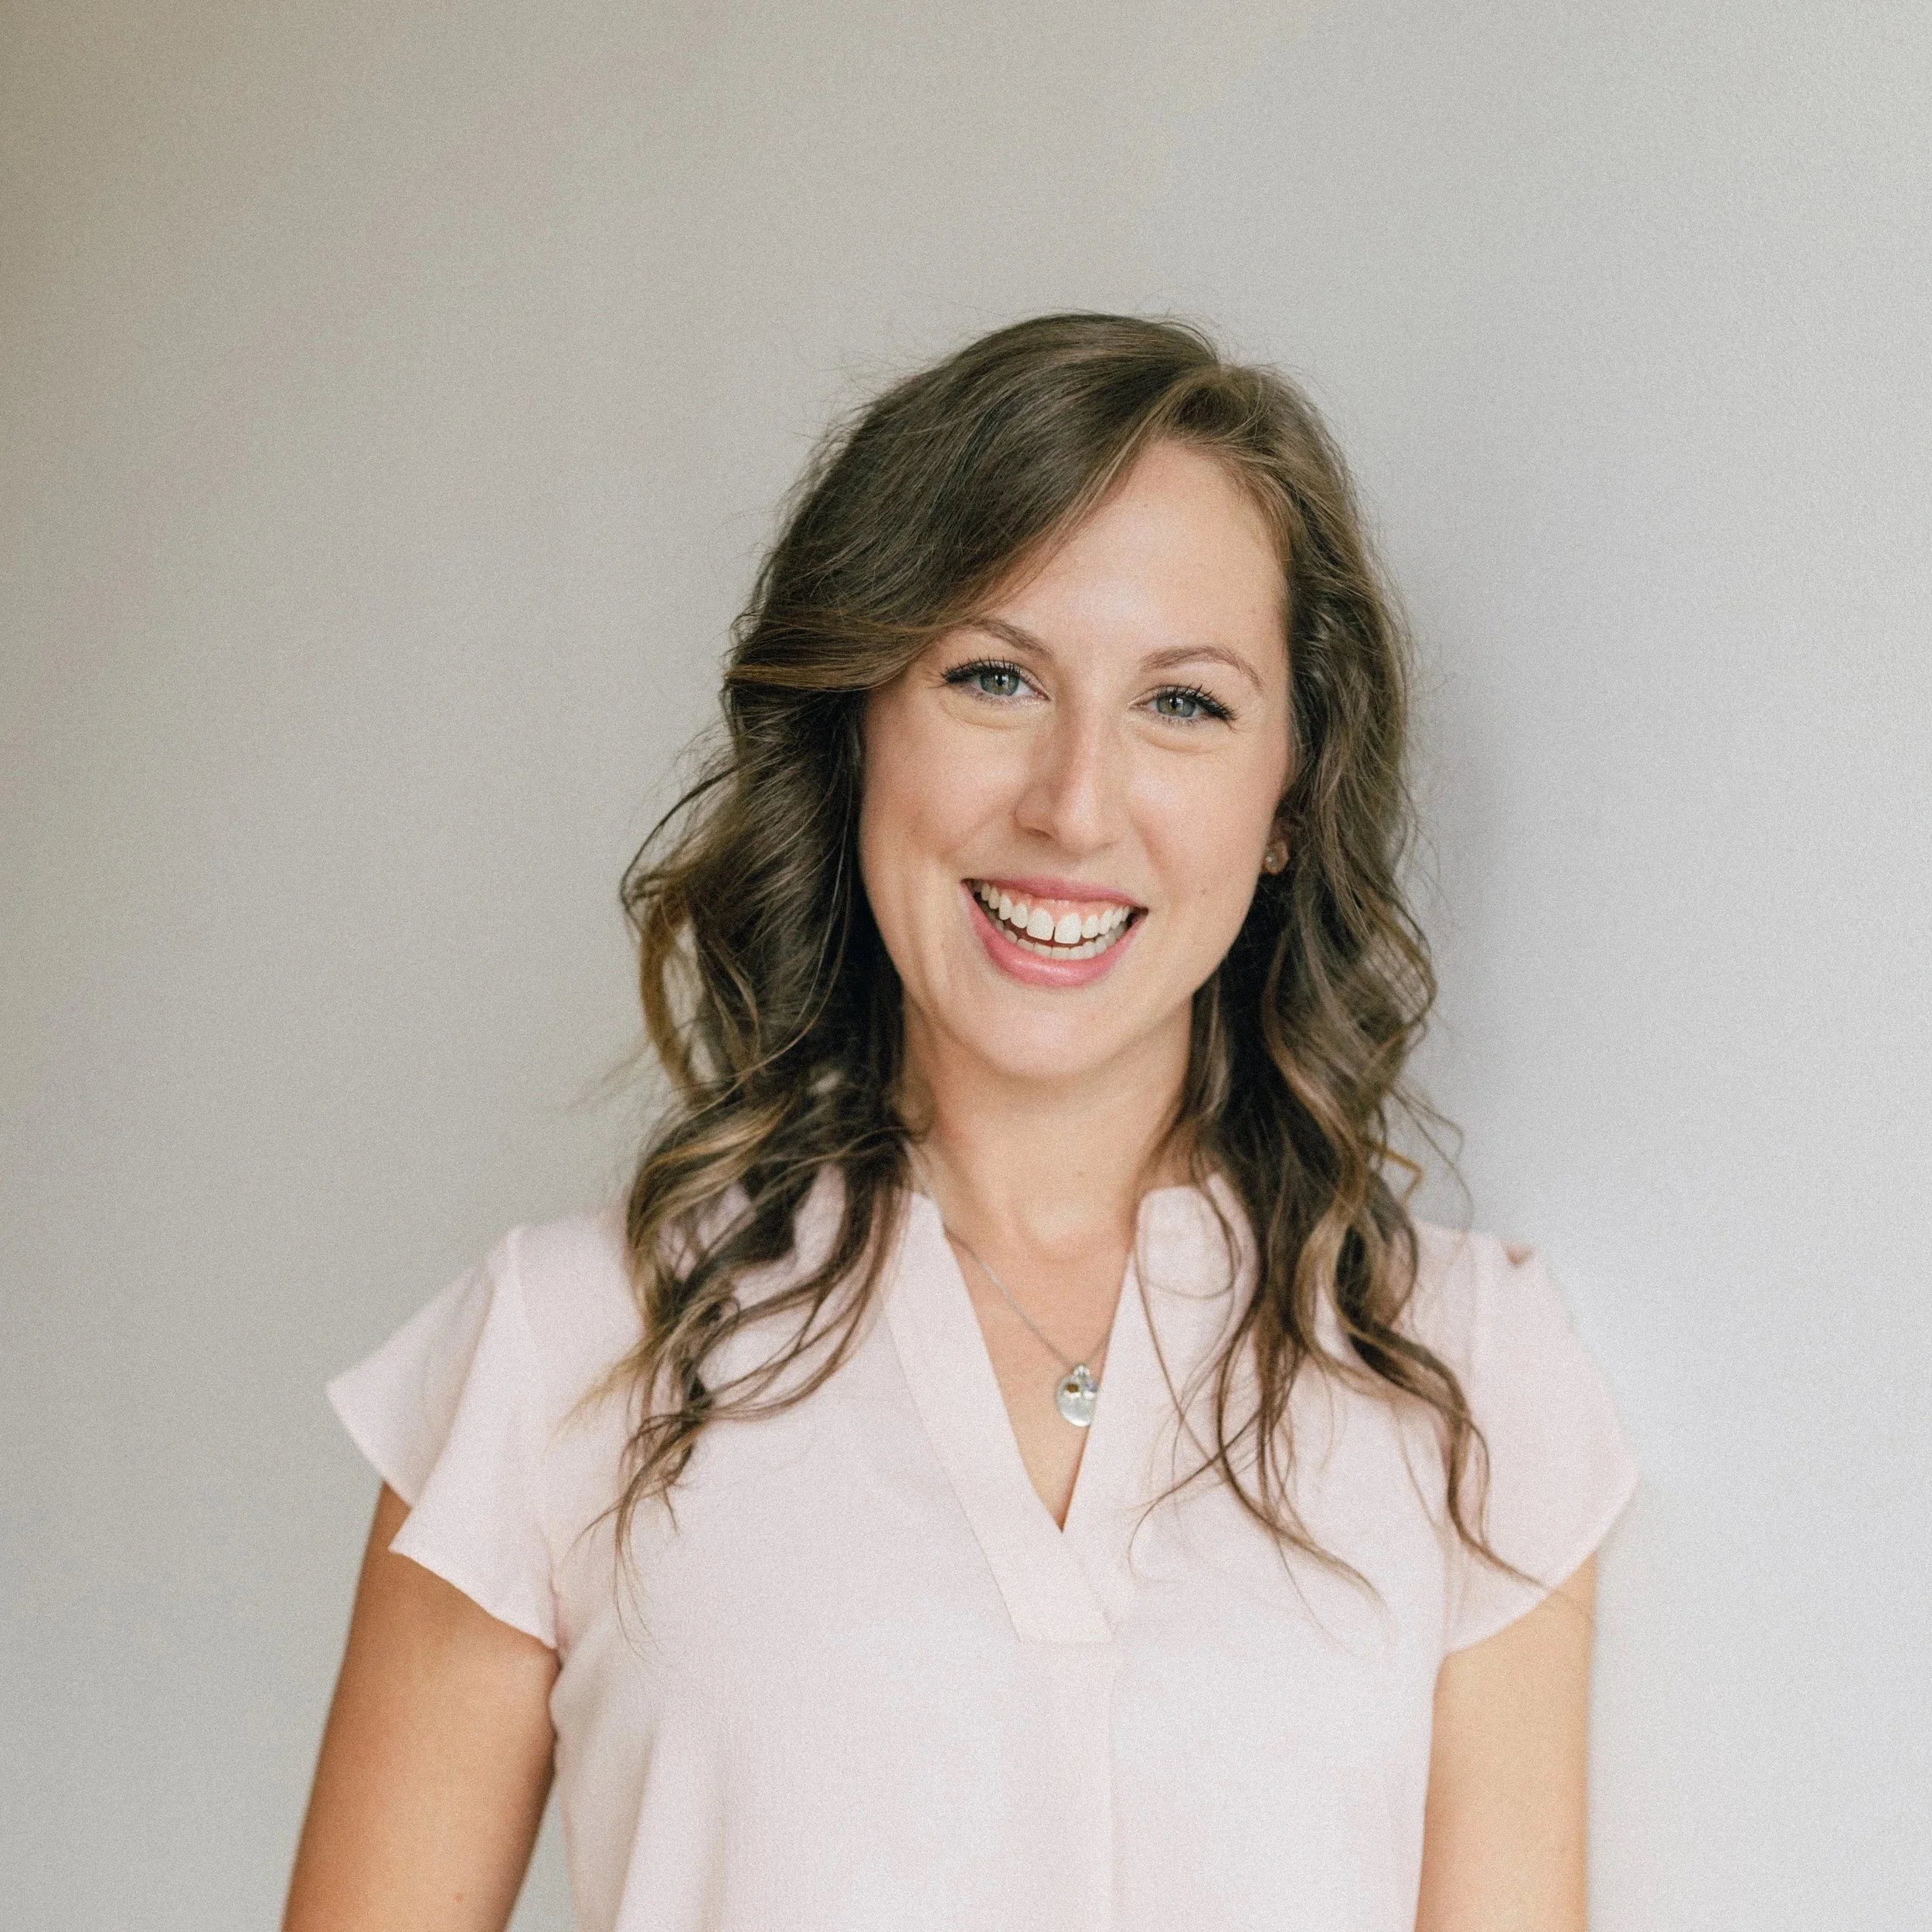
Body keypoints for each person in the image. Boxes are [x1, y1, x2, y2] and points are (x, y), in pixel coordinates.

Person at [284, 313, 1637, 1932]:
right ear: (858, 720)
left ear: (1289, 800)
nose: (1072, 802)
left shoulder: (1465, 1376)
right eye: (993, 677)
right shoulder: (565, 1351)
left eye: (1184, 704)